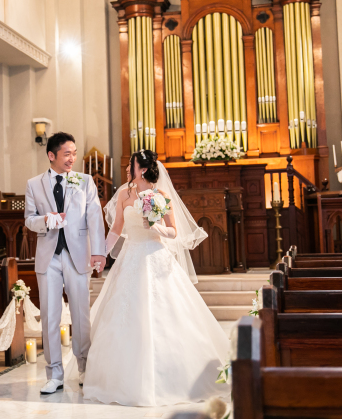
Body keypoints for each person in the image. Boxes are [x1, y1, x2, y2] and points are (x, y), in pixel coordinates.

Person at [80, 149, 230, 406]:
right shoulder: (124, 195)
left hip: (156, 256)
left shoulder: (161, 196)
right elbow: (116, 229)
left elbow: (172, 232)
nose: (128, 169)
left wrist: (156, 225)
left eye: (131, 165)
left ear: (142, 169)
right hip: (130, 258)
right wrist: (100, 254)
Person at [23, 132, 106, 394]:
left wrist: (99, 252)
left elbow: (94, 216)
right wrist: (46, 220)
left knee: (81, 315)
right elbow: (29, 219)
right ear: (52, 155)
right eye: (67, 153)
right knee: (49, 316)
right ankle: (54, 373)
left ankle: (84, 369)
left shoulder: (84, 181)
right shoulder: (34, 184)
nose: (72, 158)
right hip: (49, 257)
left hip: (78, 254)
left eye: (74, 152)